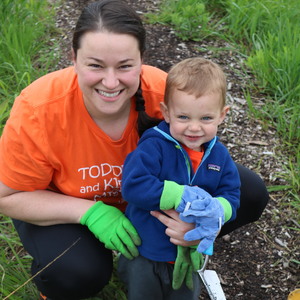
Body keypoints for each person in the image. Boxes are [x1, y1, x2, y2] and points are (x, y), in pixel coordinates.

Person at [0, 0, 268, 299]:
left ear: (142, 60)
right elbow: (8, 197)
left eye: (125, 66)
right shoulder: (38, 109)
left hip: (147, 199)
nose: (111, 82)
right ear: (73, 58)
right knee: (75, 273)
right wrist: (90, 213)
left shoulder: (165, 94)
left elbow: (204, 162)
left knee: (251, 193)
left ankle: (167, 246)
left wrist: (200, 220)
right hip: (65, 206)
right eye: (95, 65)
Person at [120, 57, 241, 299]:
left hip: (189, 251)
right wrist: (179, 196)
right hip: (146, 251)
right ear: (166, 113)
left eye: (206, 118)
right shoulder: (154, 145)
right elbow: (133, 185)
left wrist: (217, 210)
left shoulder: (218, 154)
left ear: (222, 115)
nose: (194, 128)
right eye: (183, 117)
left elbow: (232, 194)